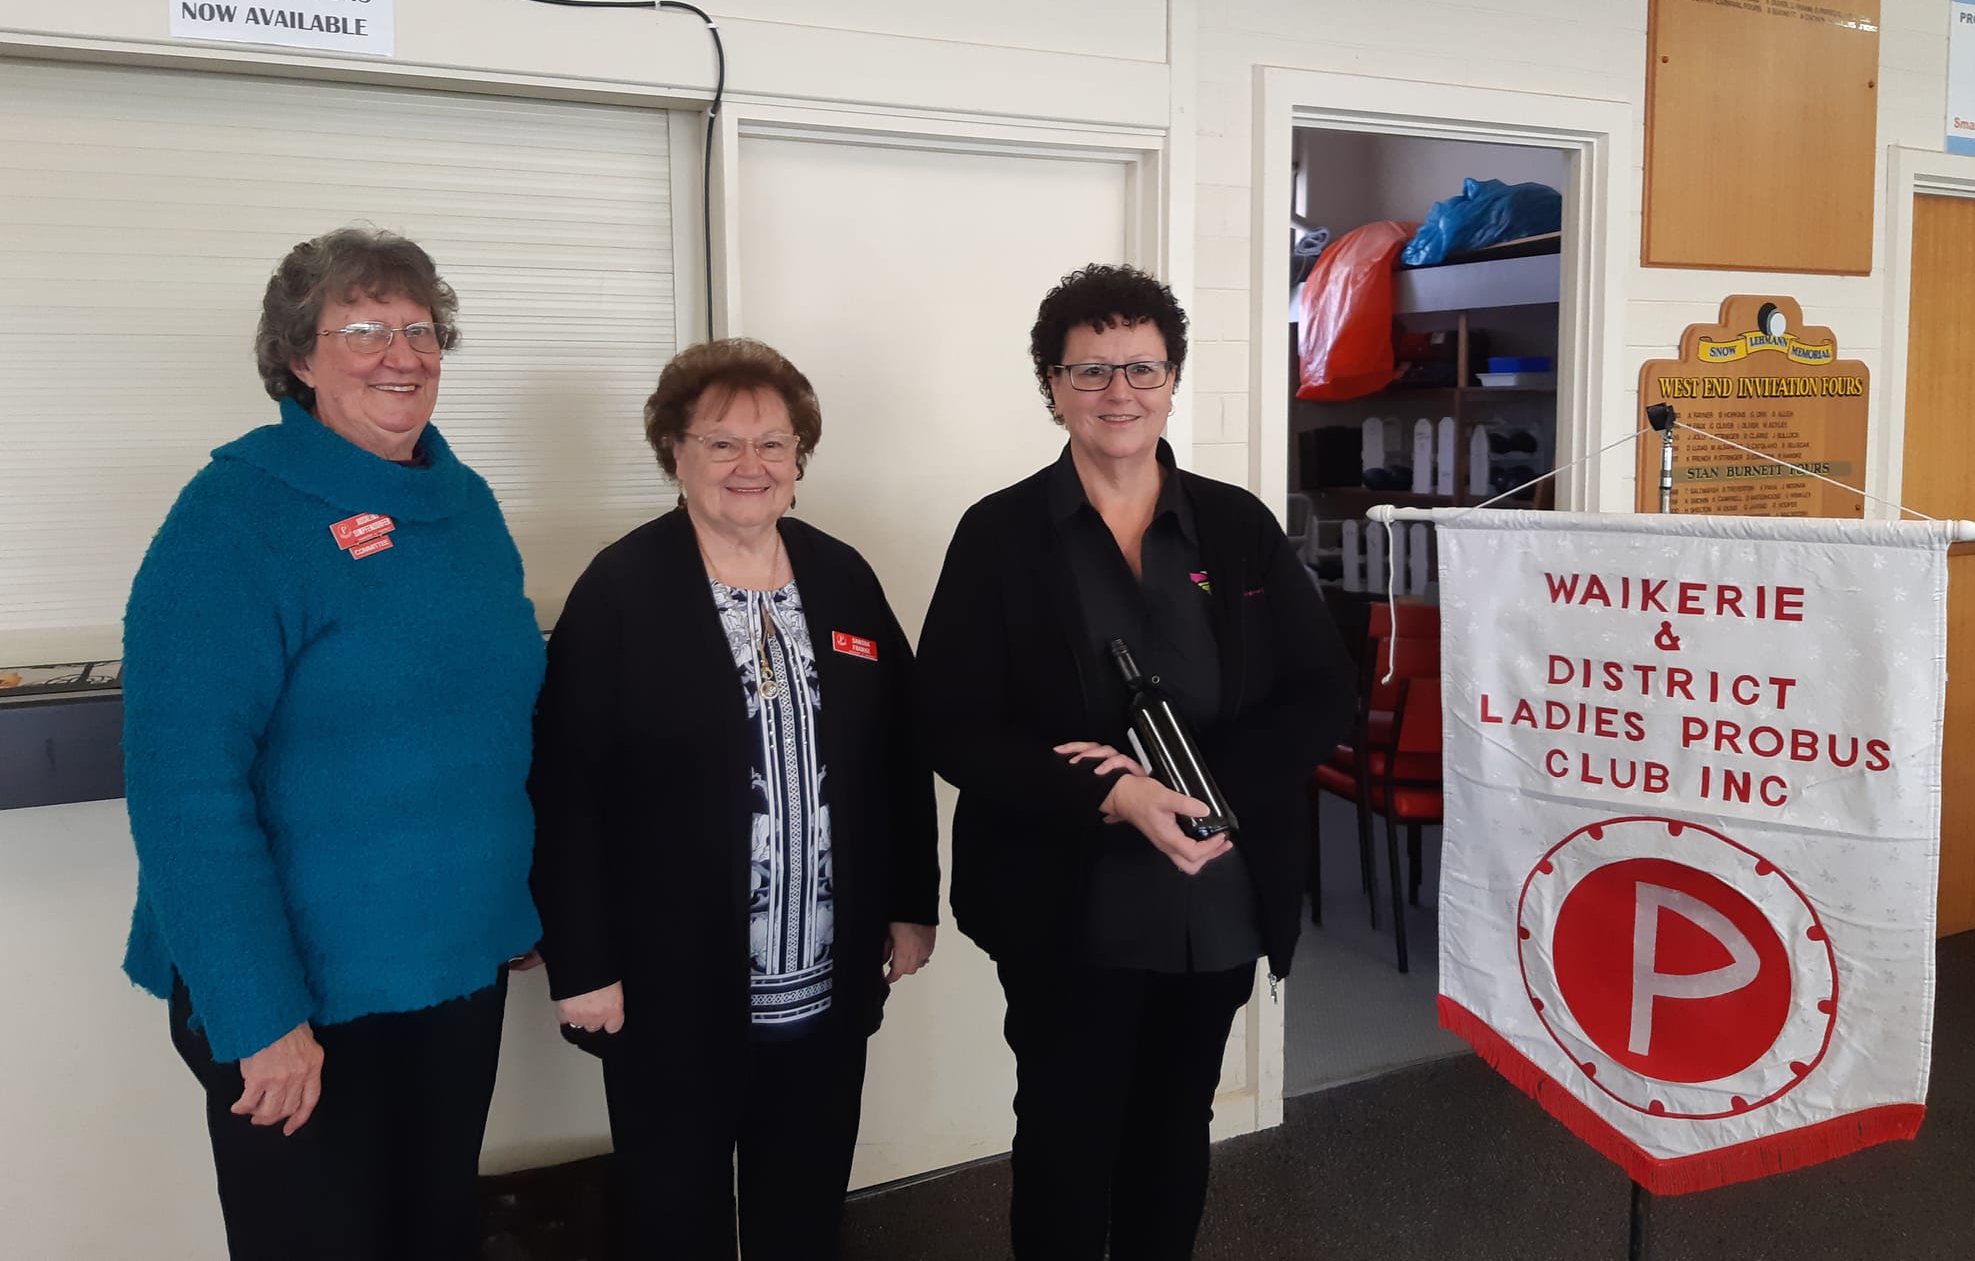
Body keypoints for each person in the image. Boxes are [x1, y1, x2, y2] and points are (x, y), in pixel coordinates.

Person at [121, 227, 547, 1260]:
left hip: (451, 967)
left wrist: (513, 902)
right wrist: (258, 1015)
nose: (400, 352)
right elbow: (185, 792)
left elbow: (492, 720)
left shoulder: (463, 502)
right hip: (299, 993)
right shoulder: (233, 519)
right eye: (361, 327)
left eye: (417, 327)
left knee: (435, 1227)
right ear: (298, 359)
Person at [919, 264, 1349, 1260]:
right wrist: (1112, 790)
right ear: (1051, 386)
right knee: (1067, 1140)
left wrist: (1204, 796)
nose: (1119, 392)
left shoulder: (1234, 526)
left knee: (1172, 1130)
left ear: (1171, 379)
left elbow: (1320, 691)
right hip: (1066, 903)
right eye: (1091, 369)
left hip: (1215, 895)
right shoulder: (999, 536)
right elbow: (949, 722)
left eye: (1142, 367)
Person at [529, 337, 940, 1261]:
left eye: (773, 444)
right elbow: (565, 788)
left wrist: (913, 906)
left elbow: (898, 756)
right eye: (720, 443)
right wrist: (582, 961)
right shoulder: (621, 592)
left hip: (826, 984)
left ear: (800, 459)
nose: (749, 466)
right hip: (672, 991)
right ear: (674, 453)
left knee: (803, 1209)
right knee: (677, 1220)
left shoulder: (843, 578)